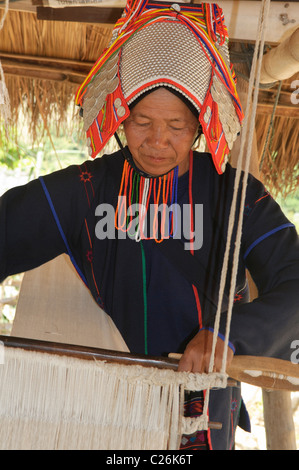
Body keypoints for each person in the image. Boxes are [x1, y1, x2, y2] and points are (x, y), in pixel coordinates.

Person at [0, 0, 298, 450]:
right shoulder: (85, 190)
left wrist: (228, 336)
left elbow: (295, 281)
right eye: (142, 122)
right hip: (105, 416)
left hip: (200, 419)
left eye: (176, 125)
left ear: (200, 124)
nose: (157, 142)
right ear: (122, 116)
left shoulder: (236, 196)